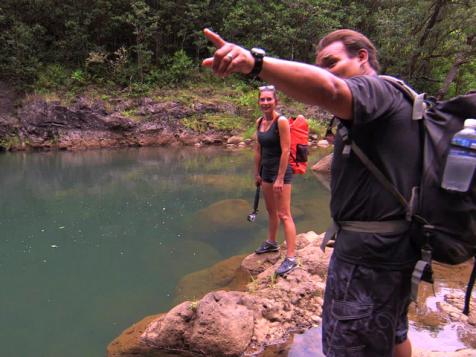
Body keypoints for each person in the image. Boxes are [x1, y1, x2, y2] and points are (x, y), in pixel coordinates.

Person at [202, 28, 420, 357]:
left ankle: (288, 255)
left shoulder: (377, 91)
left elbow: (330, 89)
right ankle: (273, 244)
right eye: (321, 66)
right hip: (391, 247)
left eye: (331, 63)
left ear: (362, 57)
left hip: (367, 254)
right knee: (392, 331)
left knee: (346, 344)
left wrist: (254, 62)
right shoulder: (389, 102)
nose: (326, 72)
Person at [253, 85, 297, 276]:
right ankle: (272, 243)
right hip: (266, 172)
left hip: (281, 173)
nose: (265, 103)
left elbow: (286, 150)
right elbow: (258, 150)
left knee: (284, 214)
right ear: (259, 102)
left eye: (269, 99)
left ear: (275, 101)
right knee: (271, 212)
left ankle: (291, 258)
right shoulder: (259, 122)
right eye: (262, 99)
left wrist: (280, 177)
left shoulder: (282, 121)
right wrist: (257, 173)